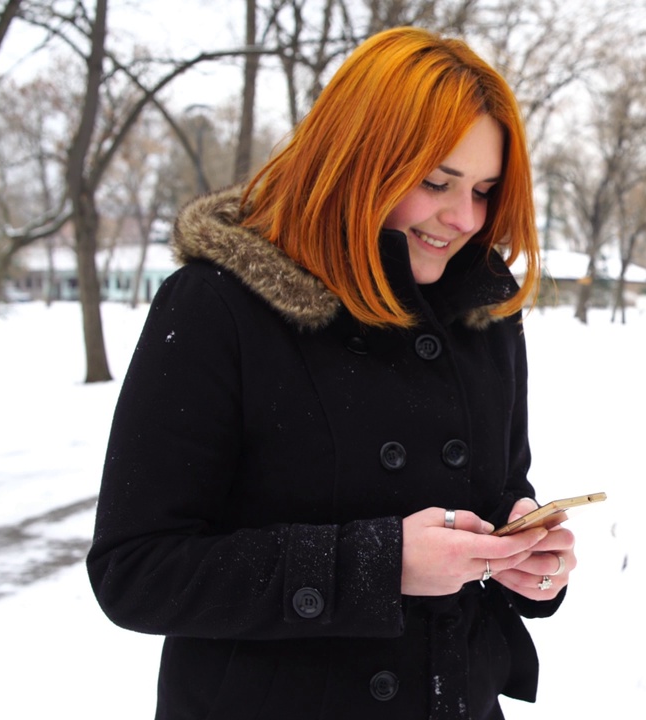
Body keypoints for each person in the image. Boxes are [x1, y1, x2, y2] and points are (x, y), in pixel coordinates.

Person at [86, 27, 576, 720]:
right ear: (357, 159)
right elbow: (135, 570)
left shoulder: (483, 315)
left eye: (485, 190)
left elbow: (499, 489)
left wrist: (522, 551)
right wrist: (381, 564)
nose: (463, 218)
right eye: (436, 181)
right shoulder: (218, 306)